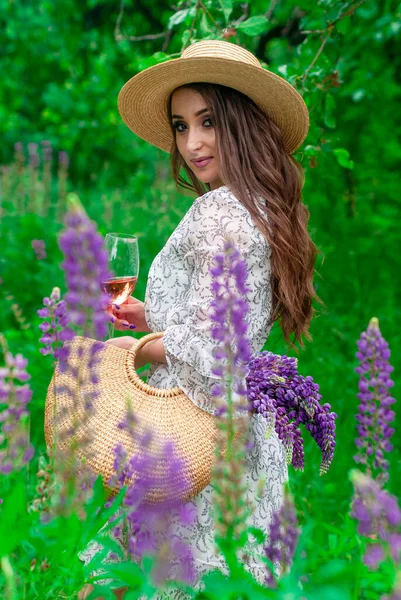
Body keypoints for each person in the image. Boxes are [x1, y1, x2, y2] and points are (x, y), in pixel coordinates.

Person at [79, 40, 321, 599]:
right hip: (240, 431)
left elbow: (218, 348)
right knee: (236, 577)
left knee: (157, 576)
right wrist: (150, 316)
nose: (193, 143)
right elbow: (224, 323)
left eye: (208, 121)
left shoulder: (221, 211)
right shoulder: (257, 203)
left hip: (192, 428)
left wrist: (135, 351)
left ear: (240, 122)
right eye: (181, 126)